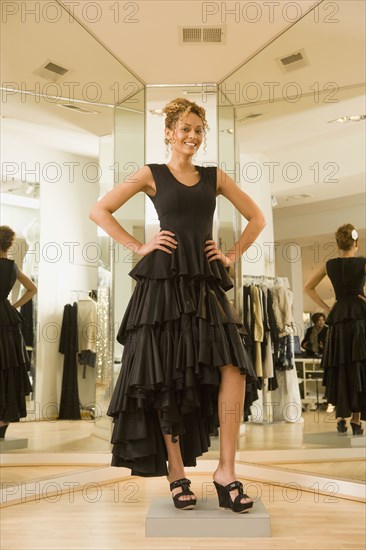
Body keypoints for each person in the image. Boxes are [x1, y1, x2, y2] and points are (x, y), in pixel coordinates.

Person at [90, 98, 266, 513]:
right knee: (165, 375)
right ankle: (176, 475)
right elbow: (100, 210)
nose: (191, 136)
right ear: (168, 133)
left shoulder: (214, 176)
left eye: (198, 130)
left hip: (204, 283)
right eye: (184, 128)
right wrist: (139, 245)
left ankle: (226, 471)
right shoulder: (152, 174)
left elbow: (257, 218)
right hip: (163, 284)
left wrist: (232, 254)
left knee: (233, 367)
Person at [304, 224, 366, 435]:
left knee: (340, 365)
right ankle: (356, 421)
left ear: (338, 243)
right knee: (357, 364)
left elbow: (307, 287)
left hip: (338, 318)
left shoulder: (330, 265)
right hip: (359, 317)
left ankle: (341, 419)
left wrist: (326, 307)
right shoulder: (362, 262)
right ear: (356, 243)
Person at [0, 225, 37, 439]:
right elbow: (33, 289)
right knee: (8, 369)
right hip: (7, 317)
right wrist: (13, 306)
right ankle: (3, 423)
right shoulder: (13, 267)